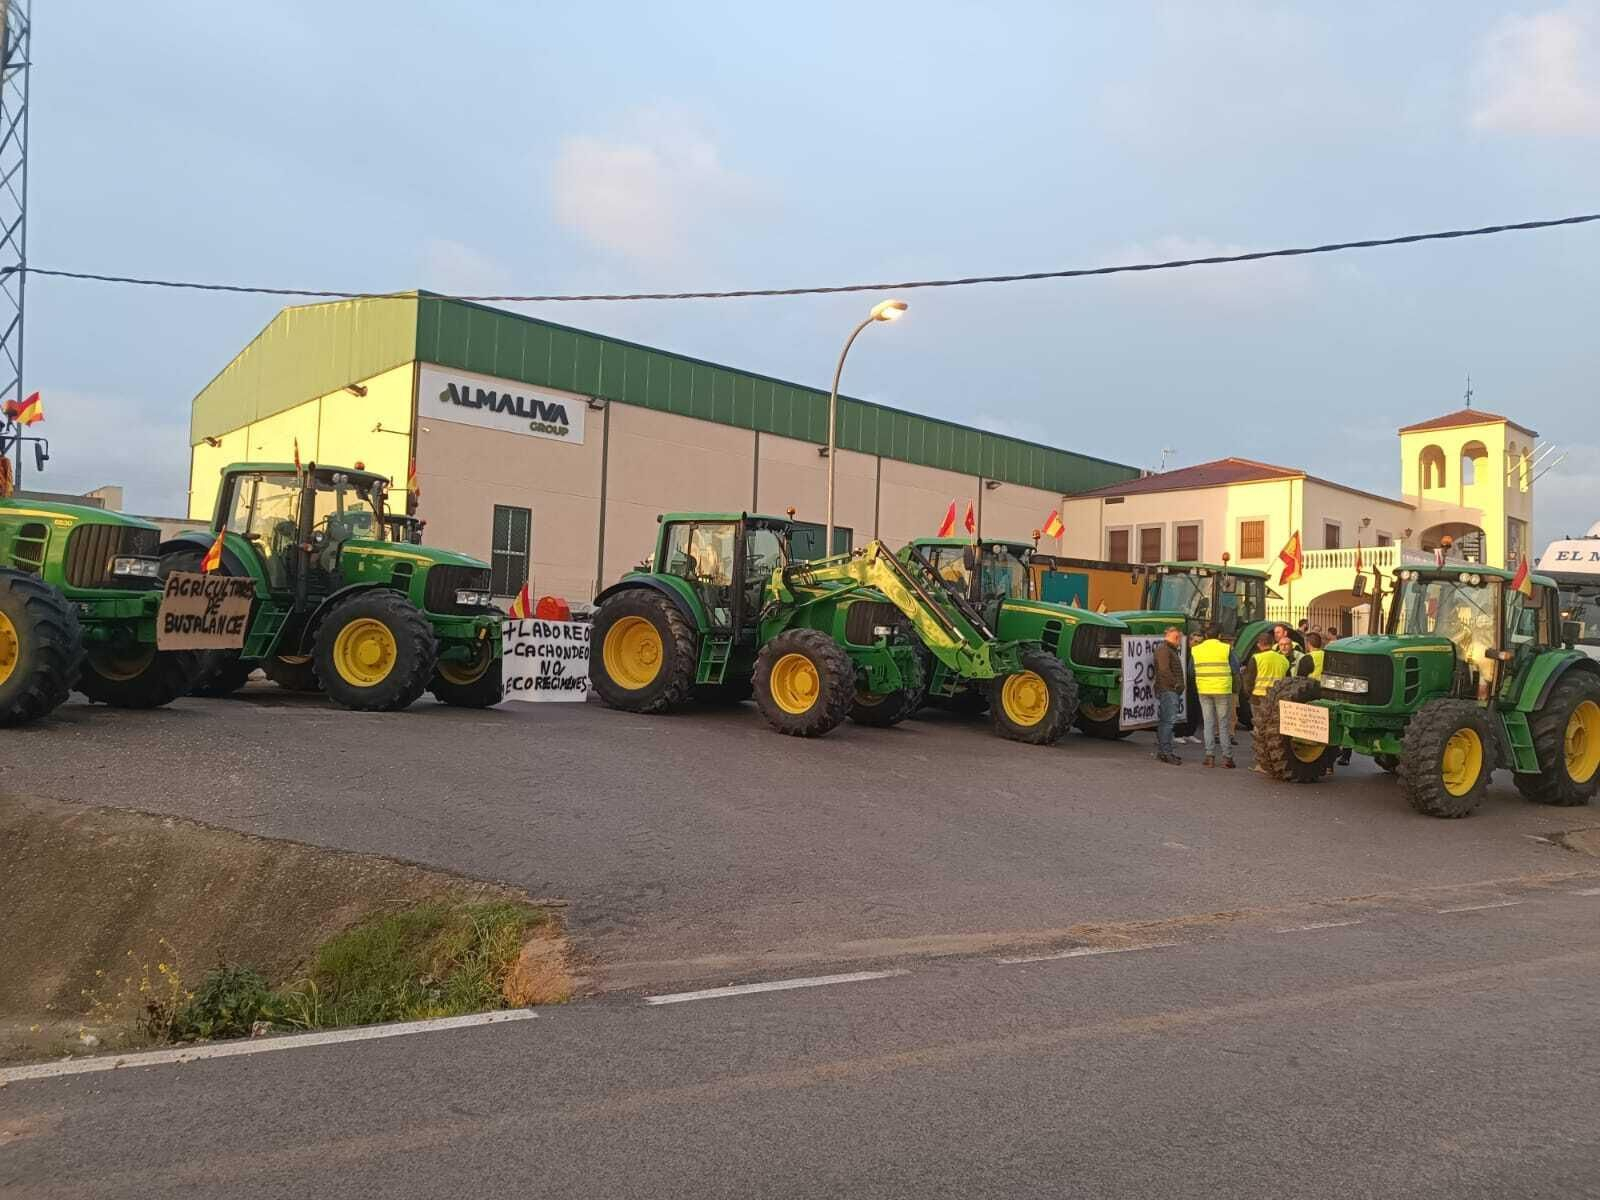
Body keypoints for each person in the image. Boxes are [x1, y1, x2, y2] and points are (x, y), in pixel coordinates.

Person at [1241, 632, 1290, 773]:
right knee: (1275, 731)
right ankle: (1276, 760)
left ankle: (1262, 763)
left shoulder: (1256, 658)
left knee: (1259, 731)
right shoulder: (1283, 660)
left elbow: (1249, 680)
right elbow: (1287, 679)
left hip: (1258, 698)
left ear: (1259, 644)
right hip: (1276, 699)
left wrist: (1247, 694)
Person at [1191, 624, 1236, 768]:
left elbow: (1191, 671)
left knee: (1208, 723)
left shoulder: (1196, 650)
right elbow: (1235, 668)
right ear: (1220, 636)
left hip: (1204, 689)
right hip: (1222, 689)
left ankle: (1209, 756)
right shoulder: (1226, 648)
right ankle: (1227, 758)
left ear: (1205, 636)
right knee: (1222, 724)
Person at [1153, 625, 1186, 765]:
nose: (1180, 642)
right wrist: (1176, 684)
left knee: (1166, 721)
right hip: (1168, 690)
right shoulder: (1165, 650)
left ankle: (1164, 751)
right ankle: (1166, 752)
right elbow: (1164, 670)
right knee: (1168, 722)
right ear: (1176, 637)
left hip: (1169, 689)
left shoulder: (1166, 649)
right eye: (1179, 638)